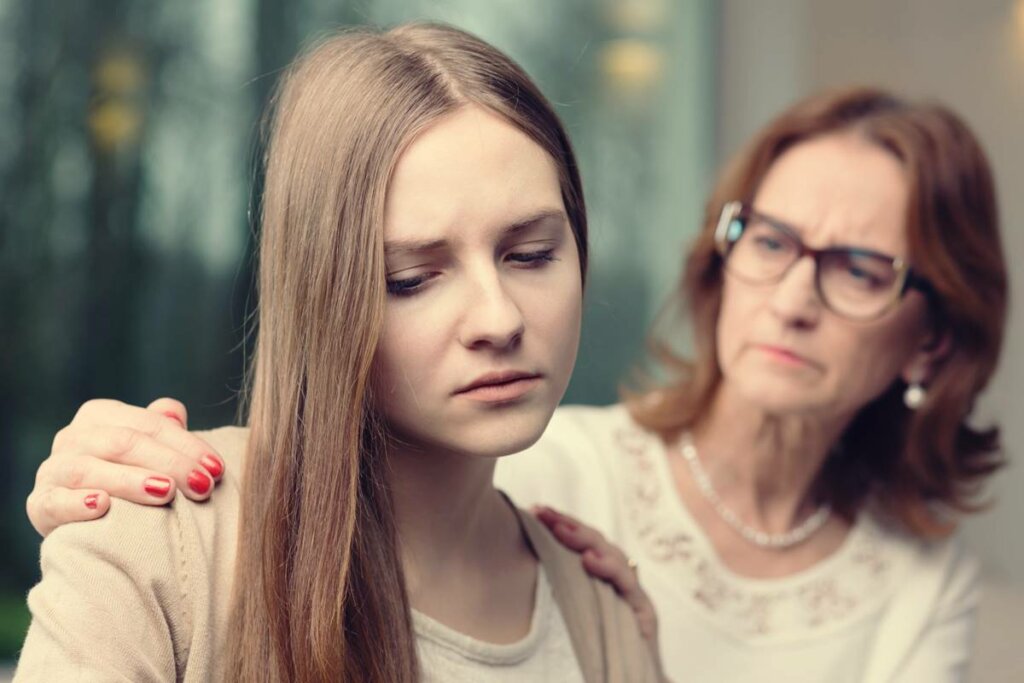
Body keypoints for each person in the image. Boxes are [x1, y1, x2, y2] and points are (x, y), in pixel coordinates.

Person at [27, 87, 1008, 682]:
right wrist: (113, 490)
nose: (793, 296)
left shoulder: (913, 586)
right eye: (775, 241)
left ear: (931, 342)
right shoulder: (542, 450)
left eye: (859, 269)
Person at [16, 23, 664, 683]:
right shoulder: (161, 541)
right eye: (412, 278)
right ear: (324, 298)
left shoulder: (599, 608)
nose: (500, 318)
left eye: (530, 255)